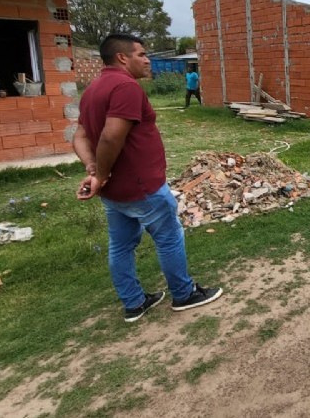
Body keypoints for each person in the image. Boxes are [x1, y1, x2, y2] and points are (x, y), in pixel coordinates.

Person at [73, 34, 222, 322]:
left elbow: (79, 136)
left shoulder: (92, 90)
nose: (147, 59)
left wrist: (93, 170)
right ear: (122, 57)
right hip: (142, 187)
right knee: (169, 238)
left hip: (114, 194)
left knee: (121, 245)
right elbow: (111, 135)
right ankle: (184, 294)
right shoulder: (125, 86)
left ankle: (134, 303)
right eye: (141, 54)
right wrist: (100, 174)